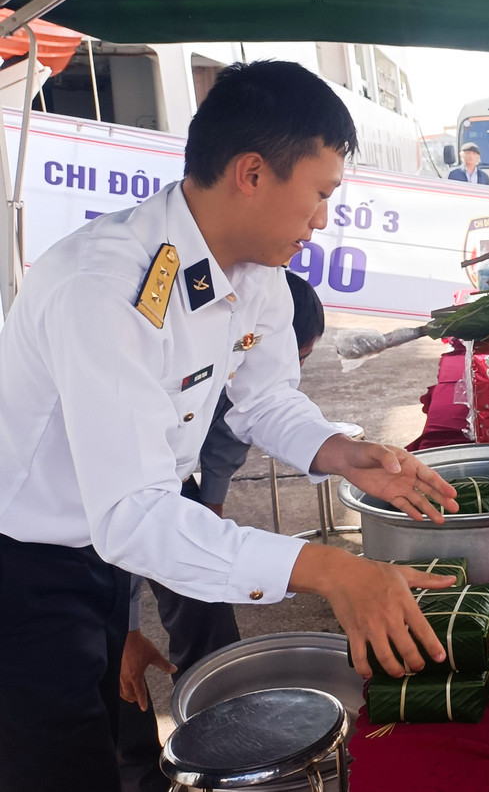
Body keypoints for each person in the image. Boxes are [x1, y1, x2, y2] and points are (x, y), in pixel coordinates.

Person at [0, 60, 461, 792]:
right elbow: (134, 514)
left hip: (104, 541)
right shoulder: (107, 289)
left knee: (107, 728)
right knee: (55, 761)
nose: (320, 221)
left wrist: (340, 451)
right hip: (24, 560)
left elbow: (264, 396)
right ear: (251, 173)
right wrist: (327, 570)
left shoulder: (253, 270)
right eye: (319, 195)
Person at [114, 270, 326, 792]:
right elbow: (125, 523)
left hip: (168, 477)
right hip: (102, 501)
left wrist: (208, 515)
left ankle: (222, 735)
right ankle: (139, 773)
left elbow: (234, 430)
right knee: (113, 669)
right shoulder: (138, 331)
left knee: (206, 605)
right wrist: (124, 629)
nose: (318, 222)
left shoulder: (253, 311)